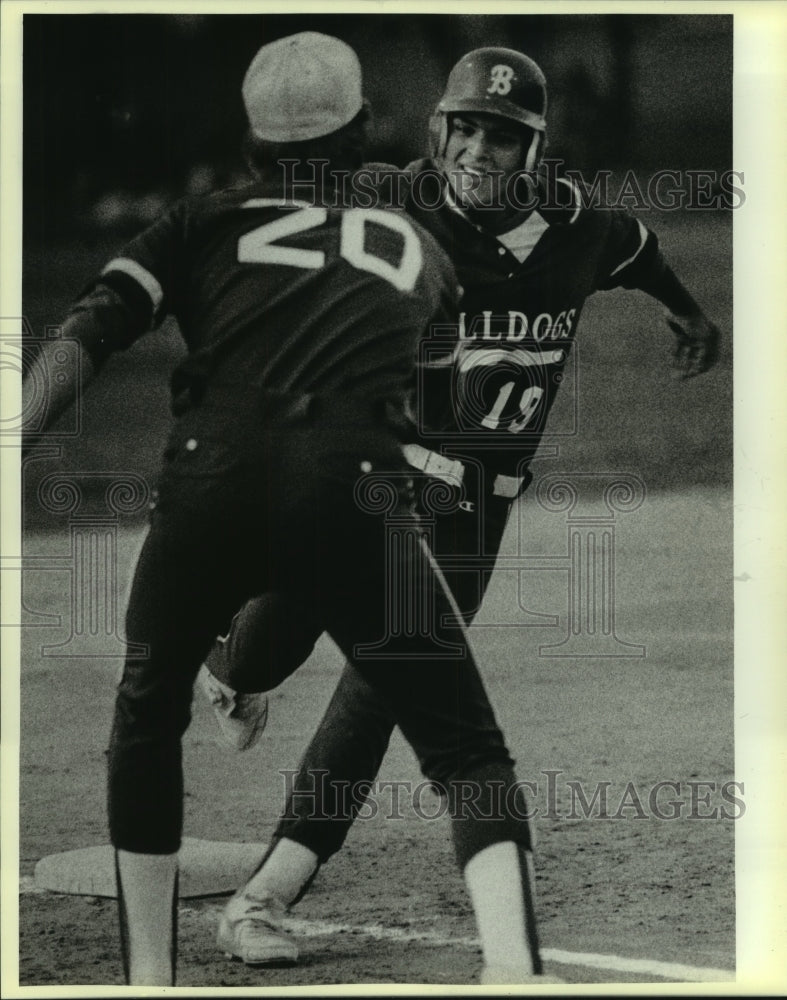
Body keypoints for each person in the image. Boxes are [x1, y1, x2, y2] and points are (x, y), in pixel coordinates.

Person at [22, 33, 565, 987]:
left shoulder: (195, 224)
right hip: (351, 492)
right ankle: (515, 972)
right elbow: (433, 395)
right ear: (365, 132)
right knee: (467, 750)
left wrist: (13, 435)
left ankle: (150, 977)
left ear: (251, 141)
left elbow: (88, 333)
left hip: (206, 484)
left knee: (146, 717)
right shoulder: (416, 248)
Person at [195, 45, 722, 971]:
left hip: (472, 516)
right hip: (366, 480)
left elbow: (642, 256)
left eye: (503, 136)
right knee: (269, 648)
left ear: (535, 150)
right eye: (466, 127)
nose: (481, 150)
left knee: (382, 694)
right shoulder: (392, 203)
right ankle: (229, 667)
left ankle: (261, 897)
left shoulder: (580, 229)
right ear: (439, 132)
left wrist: (687, 314)